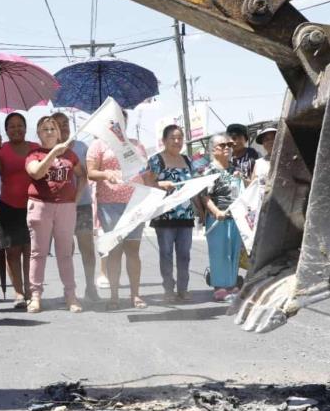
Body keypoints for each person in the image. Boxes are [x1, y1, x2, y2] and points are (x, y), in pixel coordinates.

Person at [87, 111, 148, 310]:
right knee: (114, 250)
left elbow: (146, 173)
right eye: (112, 121)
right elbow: (91, 172)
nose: (117, 124)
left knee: (133, 250)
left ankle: (135, 295)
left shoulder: (136, 144)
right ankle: (114, 296)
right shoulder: (98, 145)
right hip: (109, 204)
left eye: (121, 121)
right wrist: (106, 173)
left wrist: (156, 190)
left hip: (135, 204)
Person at [24, 116, 83, 313]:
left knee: (65, 254)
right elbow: (37, 173)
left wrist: (77, 196)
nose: (49, 132)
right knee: (38, 253)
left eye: (52, 129)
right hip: (40, 206)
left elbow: (83, 174)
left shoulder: (70, 155)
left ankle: (71, 295)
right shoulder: (34, 154)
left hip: (65, 207)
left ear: (59, 133)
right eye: (45, 129)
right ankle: (35, 296)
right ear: (39, 134)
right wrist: (53, 154)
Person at [146, 125, 201, 302]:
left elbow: (195, 186)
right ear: (164, 140)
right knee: (166, 254)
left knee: (184, 255)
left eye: (179, 138)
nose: (177, 141)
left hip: (185, 217)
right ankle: (168, 289)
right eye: (172, 138)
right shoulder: (155, 160)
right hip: (164, 217)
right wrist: (160, 184)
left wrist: (200, 209)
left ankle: (183, 289)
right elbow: (146, 184)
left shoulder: (188, 160)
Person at [52, 111, 98, 301]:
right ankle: (68, 289)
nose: (63, 127)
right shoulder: (49, 150)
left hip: (82, 204)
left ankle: (90, 286)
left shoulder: (81, 146)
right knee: (65, 250)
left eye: (65, 123)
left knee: (87, 247)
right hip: (59, 208)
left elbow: (86, 175)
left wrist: (76, 201)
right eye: (58, 124)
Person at [0, 112, 38, 308]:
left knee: (30, 251)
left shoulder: (36, 148)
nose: (16, 129)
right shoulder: (1, 150)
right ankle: (19, 292)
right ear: (6, 130)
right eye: (11, 126)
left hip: (33, 205)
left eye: (20, 125)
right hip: (7, 206)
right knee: (12, 252)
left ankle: (31, 290)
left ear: (26, 128)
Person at [202, 133, 243, 301]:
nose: (227, 148)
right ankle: (219, 287)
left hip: (235, 217)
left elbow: (239, 193)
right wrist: (216, 212)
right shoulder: (210, 170)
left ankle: (232, 284)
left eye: (229, 145)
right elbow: (205, 196)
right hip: (217, 218)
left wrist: (242, 180)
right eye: (222, 145)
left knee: (233, 251)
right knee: (219, 252)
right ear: (213, 150)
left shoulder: (235, 169)